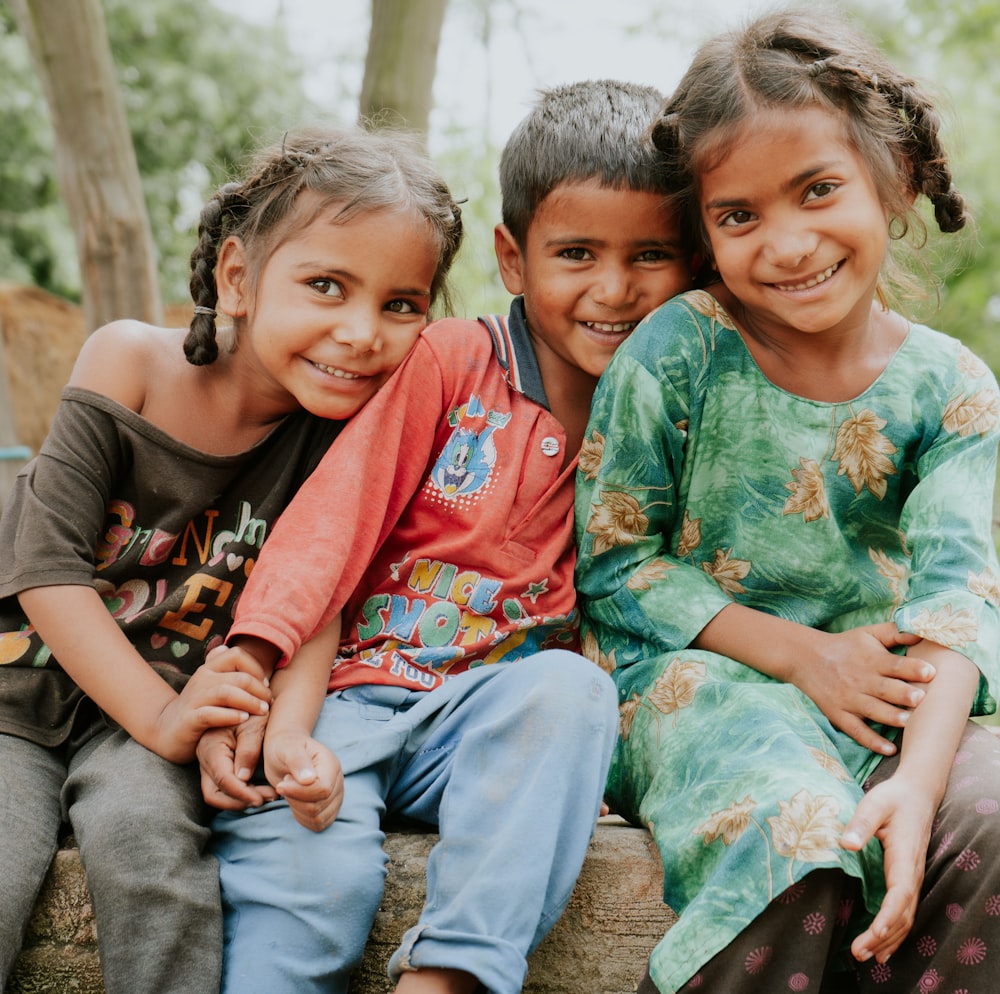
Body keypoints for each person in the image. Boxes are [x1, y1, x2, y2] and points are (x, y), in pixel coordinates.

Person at [198, 79, 696, 994]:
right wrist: (266, 673)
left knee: (567, 692)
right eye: (577, 252)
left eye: (654, 255)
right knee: (311, 877)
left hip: (484, 726)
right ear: (513, 258)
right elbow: (332, 522)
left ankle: (452, 976)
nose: (614, 289)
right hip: (344, 695)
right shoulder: (454, 361)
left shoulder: (675, 419)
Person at [574, 10, 1000, 994]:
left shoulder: (952, 386)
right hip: (705, 684)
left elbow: (954, 604)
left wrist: (917, 782)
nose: (787, 243)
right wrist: (804, 655)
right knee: (798, 840)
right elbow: (616, 565)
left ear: (887, 174)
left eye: (817, 190)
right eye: (739, 216)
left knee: (986, 818)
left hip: (887, 699)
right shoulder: (677, 350)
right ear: (704, 230)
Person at [0, 124, 463, 994]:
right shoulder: (130, 361)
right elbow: (44, 568)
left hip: (161, 721)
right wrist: (166, 723)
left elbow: (315, 605)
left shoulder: (346, 441)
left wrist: (269, 732)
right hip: (15, 694)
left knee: (153, 856)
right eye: (327, 285)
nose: (363, 332)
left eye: (402, 304)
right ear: (239, 278)